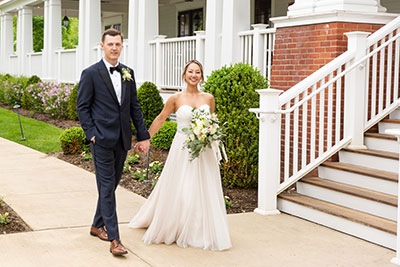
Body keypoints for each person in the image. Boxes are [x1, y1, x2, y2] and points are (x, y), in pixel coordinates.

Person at [129, 60, 232, 251]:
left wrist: (208, 133)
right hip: (183, 148)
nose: (194, 75)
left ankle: (200, 228)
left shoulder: (209, 98)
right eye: (191, 71)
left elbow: (211, 121)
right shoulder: (175, 98)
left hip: (204, 150)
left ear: (202, 76)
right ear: (184, 75)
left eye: (198, 72)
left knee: (204, 187)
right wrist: (145, 139)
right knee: (183, 185)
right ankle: (178, 225)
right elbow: (161, 119)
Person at [77, 29, 150, 256]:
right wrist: (91, 133)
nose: (114, 48)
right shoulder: (90, 73)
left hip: (122, 140)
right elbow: (82, 107)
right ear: (102, 46)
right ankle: (115, 239)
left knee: (111, 186)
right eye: (110, 44)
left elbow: (134, 107)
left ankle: (96, 225)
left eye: (118, 44)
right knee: (107, 188)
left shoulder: (128, 73)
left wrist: (143, 135)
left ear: (121, 46)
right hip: (101, 140)